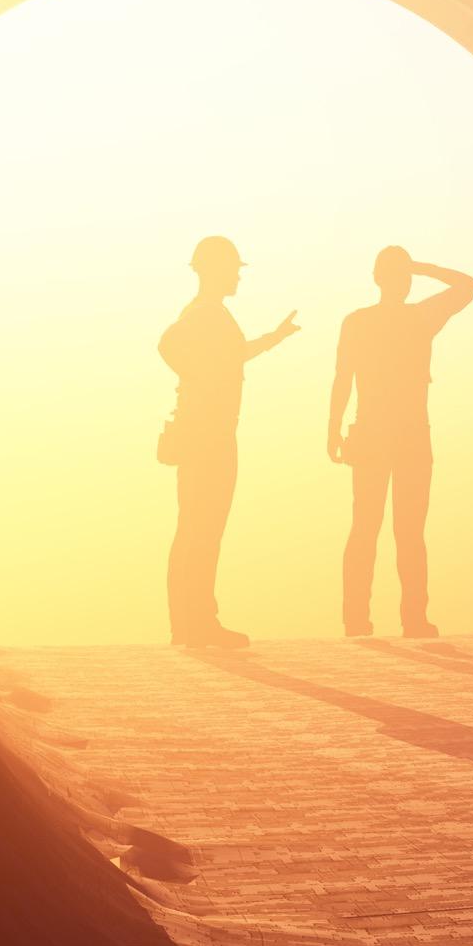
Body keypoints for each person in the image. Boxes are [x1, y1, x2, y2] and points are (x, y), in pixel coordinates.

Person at [158, 235, 297, 648]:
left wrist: (273, 338)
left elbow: (229, 357)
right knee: (199, 528)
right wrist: (198, 383)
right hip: (209, 436)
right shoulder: (204, 313)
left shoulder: (210, 313)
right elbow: (168, 345)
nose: (238, 274)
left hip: (211, 432)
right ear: (215, 269)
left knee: (199, 528)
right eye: (233, 267)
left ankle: (194, 621)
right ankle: (194, 623)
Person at [331, 247, 473, 638]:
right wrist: (422, 268)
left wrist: (333, 429)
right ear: (398, 279)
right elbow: (468, 285)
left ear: (376, 278)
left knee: (367, 526)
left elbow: (343, 377)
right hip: (408, 434)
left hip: (375, 433)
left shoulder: (359, 322)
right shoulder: (420, 317)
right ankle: (412, 619)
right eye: (402, 274)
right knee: (406, 531)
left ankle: (357, 619)